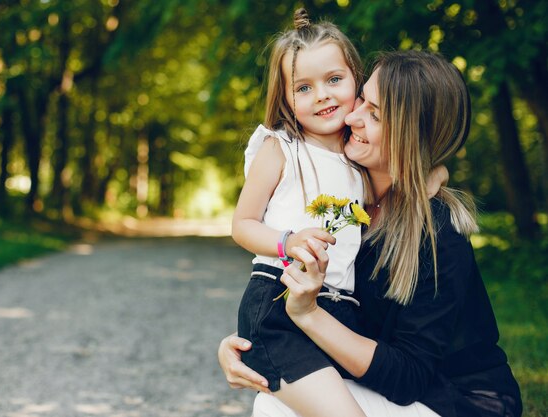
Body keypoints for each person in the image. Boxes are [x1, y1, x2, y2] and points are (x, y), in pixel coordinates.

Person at [220, 50, 522, 417]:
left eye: (375, 114)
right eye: (362, 97)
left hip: (459, 402)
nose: (352, 116)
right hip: (393, 392)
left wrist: (308, 315)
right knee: (278, 395)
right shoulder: (345, 198)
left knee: (277, 407)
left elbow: (407, 376)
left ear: (410, 137)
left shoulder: (439, 233)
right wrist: (250, 346)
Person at [232, 8, 368, 417]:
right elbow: (242, 224)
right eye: (303, 88)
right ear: (286, 97)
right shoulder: (280, 147)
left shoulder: (360, 156)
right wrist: (287, 241)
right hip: (278, 305)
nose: (322, 95)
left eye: (334, 80)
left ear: (355, 79)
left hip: (340, 313)